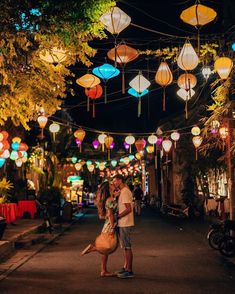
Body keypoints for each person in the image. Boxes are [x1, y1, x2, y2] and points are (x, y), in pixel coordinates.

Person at [81, 181, 118, 277]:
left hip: (106, 225)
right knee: (109, 246)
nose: (113, 185)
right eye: (111, 185)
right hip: (110, 225)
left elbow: (102, 216)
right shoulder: (110, 200)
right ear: (108, 189)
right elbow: (110, 214)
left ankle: (103, 270)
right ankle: (94, 248)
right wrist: (113, 226)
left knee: (106, 246)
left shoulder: (108, 199)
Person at [113, 174, 135, 279]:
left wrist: (118, 216)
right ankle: (126, 267)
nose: (114, 183)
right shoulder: (122, 191)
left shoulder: (125, 191)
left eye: (115, 181)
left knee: (127, 246)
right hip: (123, 222)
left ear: (120, 180)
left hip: (125, 222)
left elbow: (128, 209)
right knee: (125, 247)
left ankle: (129, 270)